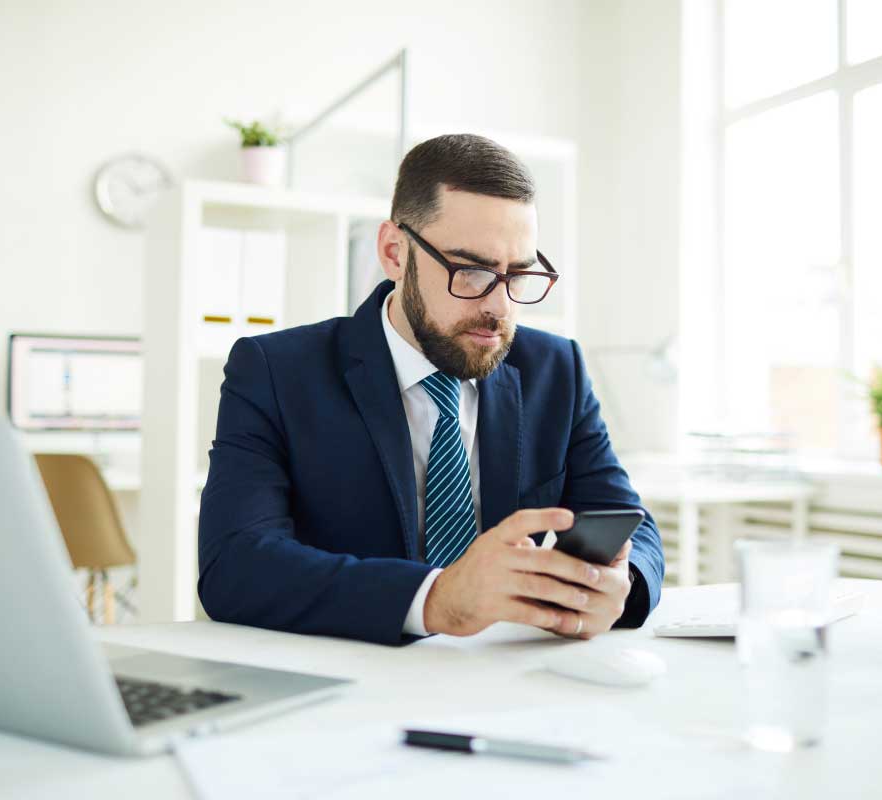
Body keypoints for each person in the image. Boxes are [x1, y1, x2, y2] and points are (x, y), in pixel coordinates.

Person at [198, 134, 664, 645]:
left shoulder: (556, 368)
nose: (500, 307)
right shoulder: (275, 371)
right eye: (472, 271)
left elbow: (631, 527)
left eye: (519, 274)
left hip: (516, 675)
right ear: (395, 253)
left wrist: (618, 585)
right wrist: (435, 600)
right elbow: (234, 565)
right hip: (347, 678)